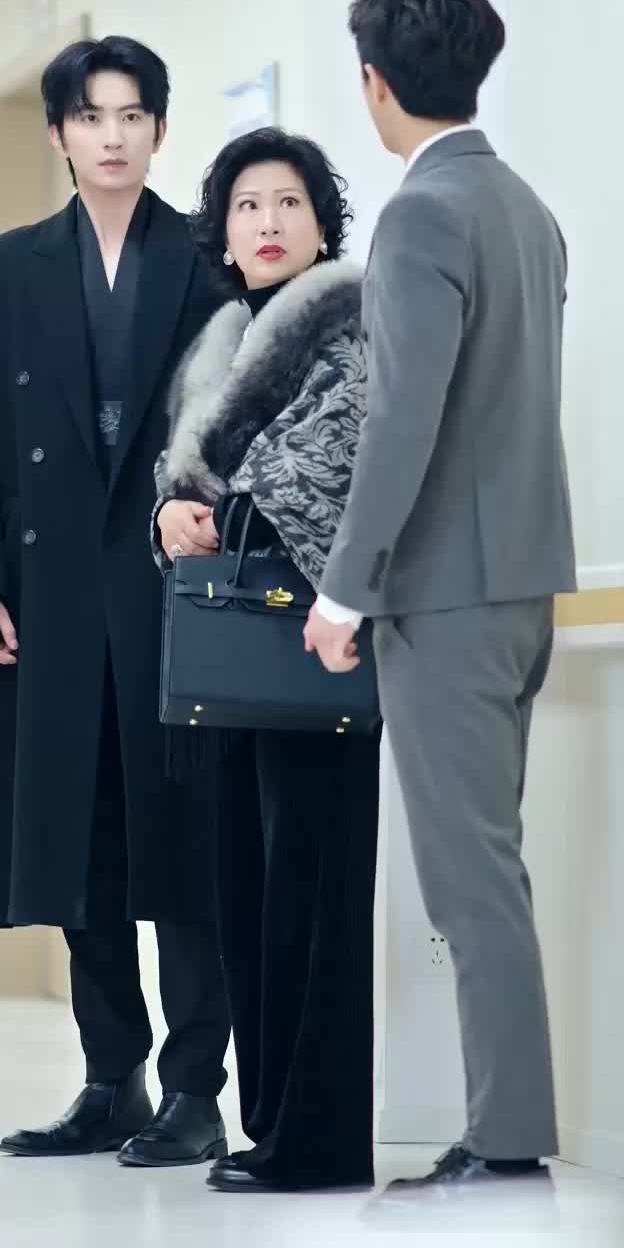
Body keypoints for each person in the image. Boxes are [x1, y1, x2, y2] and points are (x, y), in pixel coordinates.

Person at [0, 35, 231, 1168]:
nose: (113, 137)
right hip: (48, 596)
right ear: (58, 133)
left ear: (159, 129)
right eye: (92, 117)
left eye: (133, 115)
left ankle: (195, 1090)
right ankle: (113, 1078)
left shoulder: (206, 262)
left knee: (187, 846)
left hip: (174, 591)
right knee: (78, 843)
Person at [305, 0, 576, 1199]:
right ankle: (503, 1127)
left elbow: (404, 418)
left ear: (375, 83)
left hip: (449, 593)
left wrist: (344, 589)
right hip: (522, 580)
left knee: (472, 880)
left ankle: (505, 1141)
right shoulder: (527, 209)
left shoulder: (421, 217)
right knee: (488, 866)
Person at [155, 128, 380, 1193]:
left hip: (317, 645)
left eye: (288, 202)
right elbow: (181, 479)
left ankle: (319, 1141)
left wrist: (223, 503)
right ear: (225, 232)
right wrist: (172, 514)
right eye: (247, 206)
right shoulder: (220, 345)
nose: (268, 222)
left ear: (321, 223)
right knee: (245, 888)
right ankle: (272, 1126)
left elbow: (338, 462)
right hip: (234, 658)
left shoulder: (352, 324)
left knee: (313, 893)